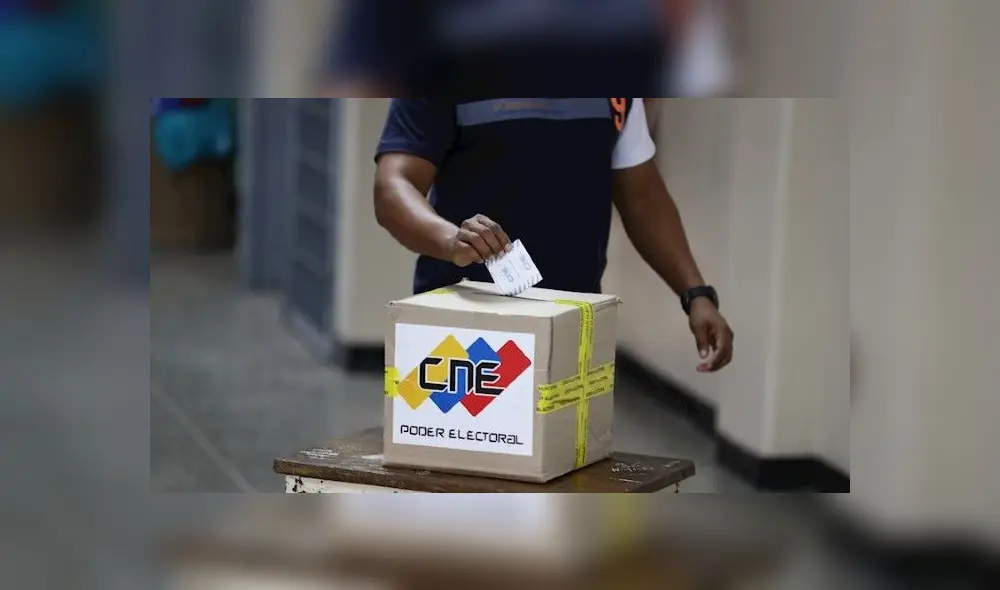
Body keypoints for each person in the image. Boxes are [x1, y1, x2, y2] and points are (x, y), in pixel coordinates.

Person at [373, 98, 734, 372]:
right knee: (448, 447)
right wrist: (449, 239)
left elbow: (643, 197)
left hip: (569, 328)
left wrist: (695, 294)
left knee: (564, 451)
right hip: (459, 332)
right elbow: (394, 185)